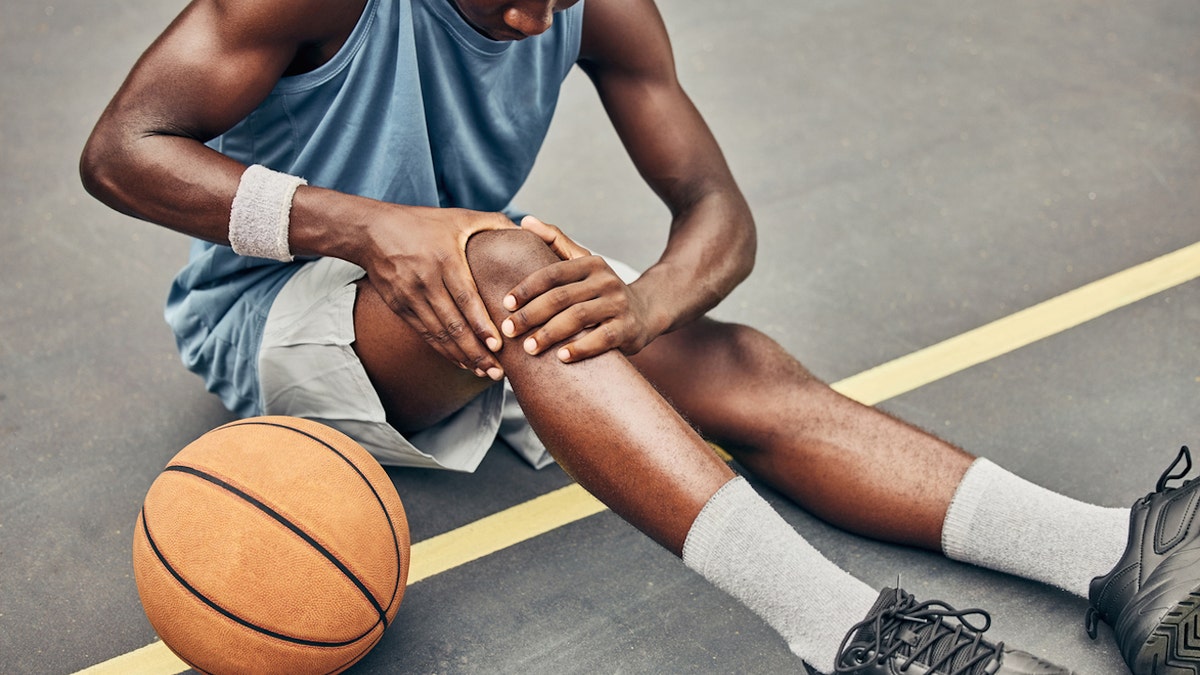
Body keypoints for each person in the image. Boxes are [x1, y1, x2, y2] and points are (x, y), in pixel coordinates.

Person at [79, 0, 1200, 672]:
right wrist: (372, 231)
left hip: (482, 287)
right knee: (519, 267)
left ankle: (1111, 549)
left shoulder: (583, 3)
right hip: (282, 314)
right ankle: (848, 634)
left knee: (729, 359)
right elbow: (122, 151)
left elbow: (718, 213)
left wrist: (652, 303)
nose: (534, 22)